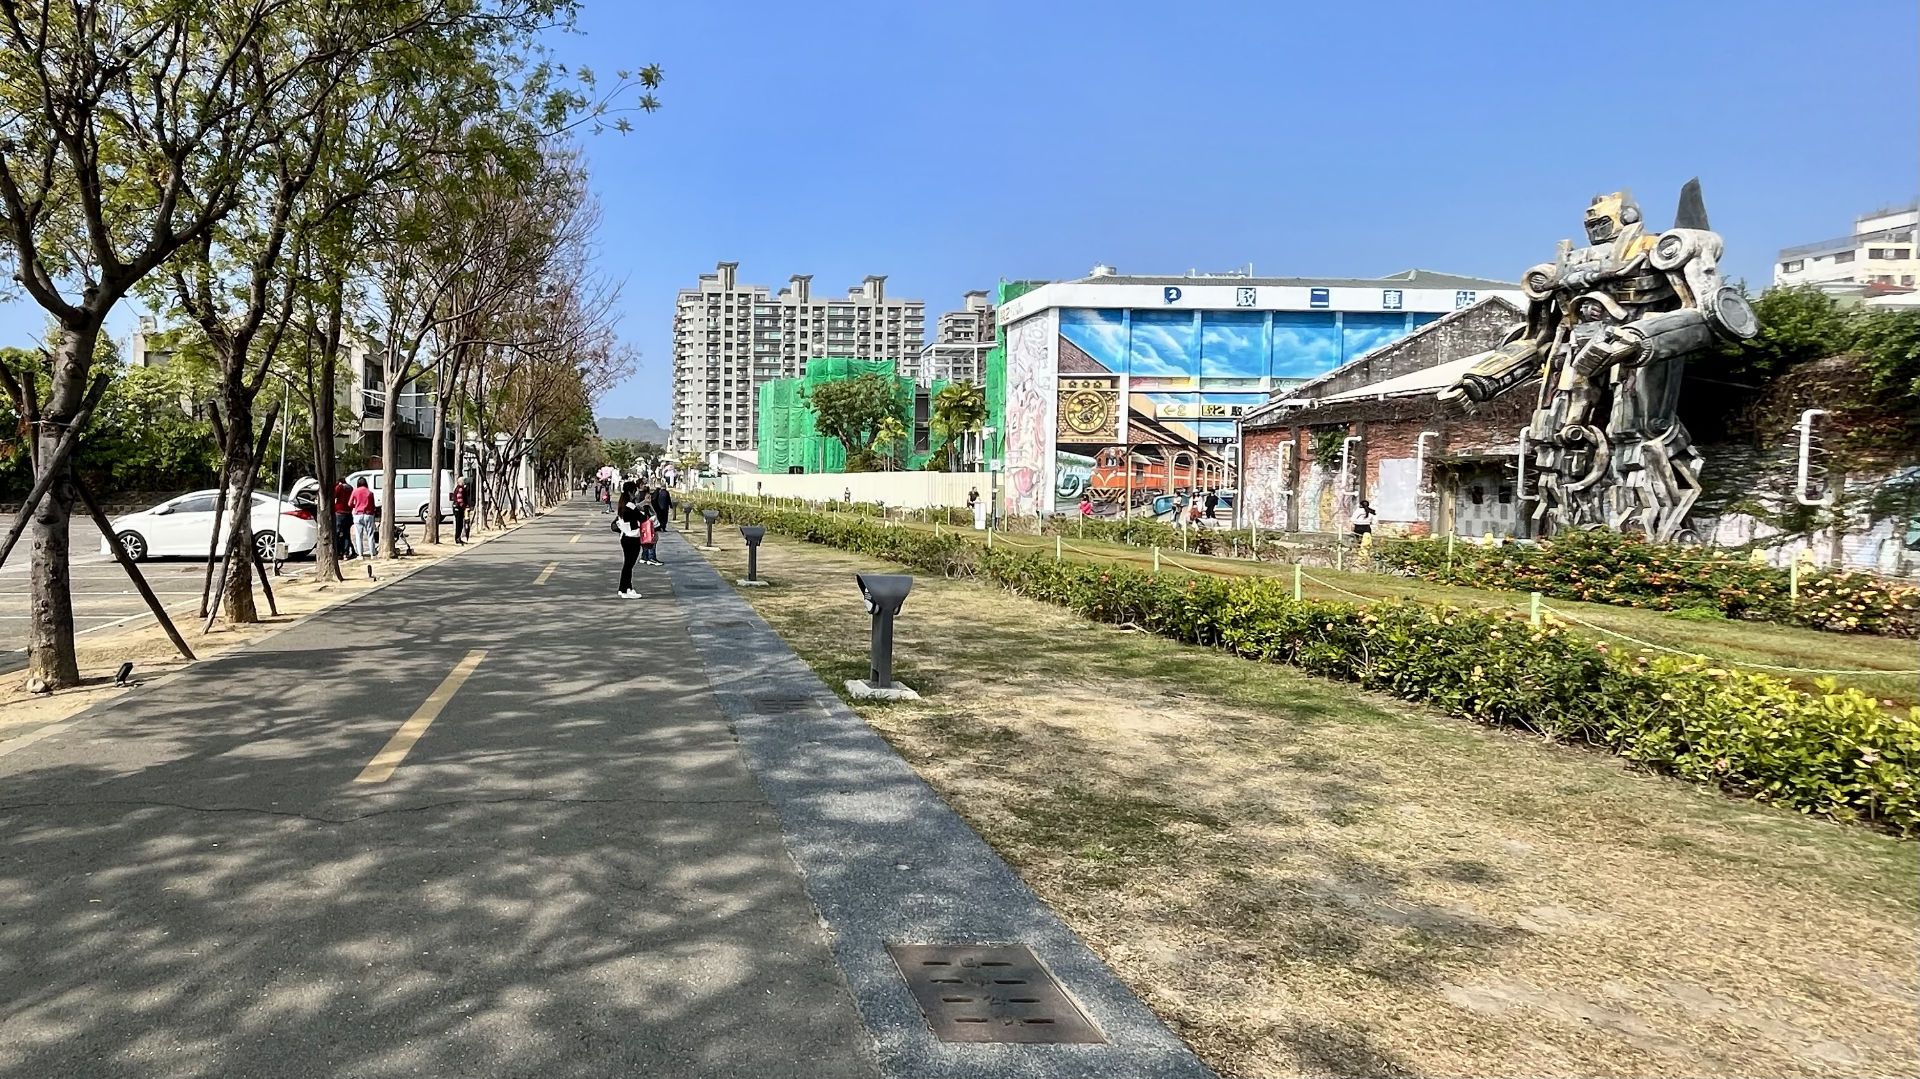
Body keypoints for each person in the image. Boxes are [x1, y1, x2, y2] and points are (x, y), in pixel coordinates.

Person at [614, 486, 644, 598]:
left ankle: (623, 589)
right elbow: (643, 518)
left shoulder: (622, 505)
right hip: (633, 537)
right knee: (629, 565)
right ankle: (628, 588)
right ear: (630, 492)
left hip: (625, 537)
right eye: (634, 491)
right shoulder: (630, 505)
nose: (635, 494)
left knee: (627, 564)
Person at [349, 476, 377, 559]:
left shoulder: (355, 491)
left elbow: (349, 503)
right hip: (368, 514)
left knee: (358, 535)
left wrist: (356, 505)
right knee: (370, 535)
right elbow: (373, 506)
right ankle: (373, 554)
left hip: (358, 514)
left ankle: (360, 555)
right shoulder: (370, 493)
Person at [331, 478, 352, 559]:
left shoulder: (339, 487)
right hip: (348, 513)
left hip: (339, 512)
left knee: (337, 533)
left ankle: (337, 552)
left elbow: (334, 495)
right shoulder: (350, 488)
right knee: (347, 533)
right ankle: (346, 553)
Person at [451, 476, 470, 545]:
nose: (465, 483)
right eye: (464, 481)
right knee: (459, 524)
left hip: (458, 508)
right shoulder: (460, 489)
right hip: (458, 508)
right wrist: (465, 506)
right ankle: (457, 538)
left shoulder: (460, 488)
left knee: (460, 524)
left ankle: (458, 538)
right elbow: (460, 499)